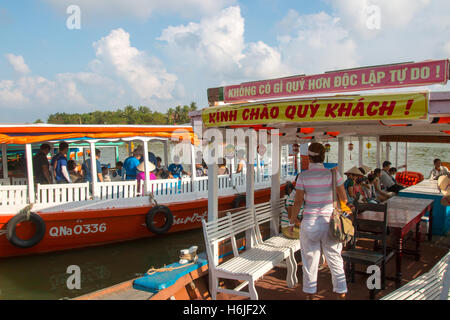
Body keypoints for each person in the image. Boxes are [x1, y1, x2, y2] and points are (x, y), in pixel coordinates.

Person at [290, 142, 350, 300]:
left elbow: (297, 202)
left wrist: (292, 220)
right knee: (335, 259)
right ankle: (341, 293)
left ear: (309, 158)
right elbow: (344, 198)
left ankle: (310, 295)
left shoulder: (303, 176)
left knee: (310, 261)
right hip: (329, 222)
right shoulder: (333, 174)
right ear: (324, 157)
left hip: (310, 223)